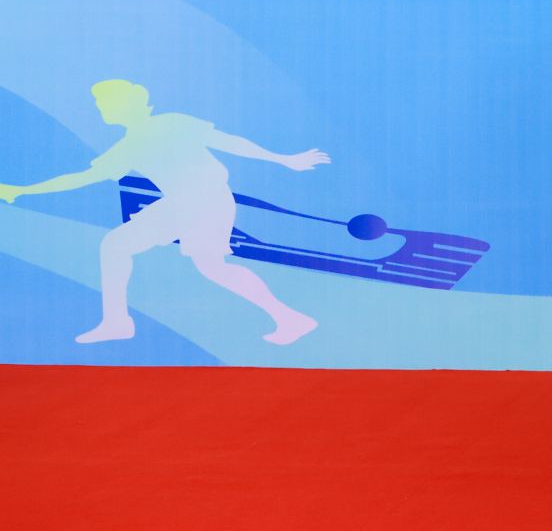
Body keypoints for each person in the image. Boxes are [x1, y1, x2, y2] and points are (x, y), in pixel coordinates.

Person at [0, 79, 323, 345]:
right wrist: (22, 191)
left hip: (207, 202)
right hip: (182, 204)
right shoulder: (127, 147)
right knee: (118, 246)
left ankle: (289, 318)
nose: (100, 109)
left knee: (210, 267)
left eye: (104, 103)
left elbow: (228, 142)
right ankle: (117, 322)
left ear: (125, 105)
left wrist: (282, 159)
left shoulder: (173, 123)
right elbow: (83, 177)